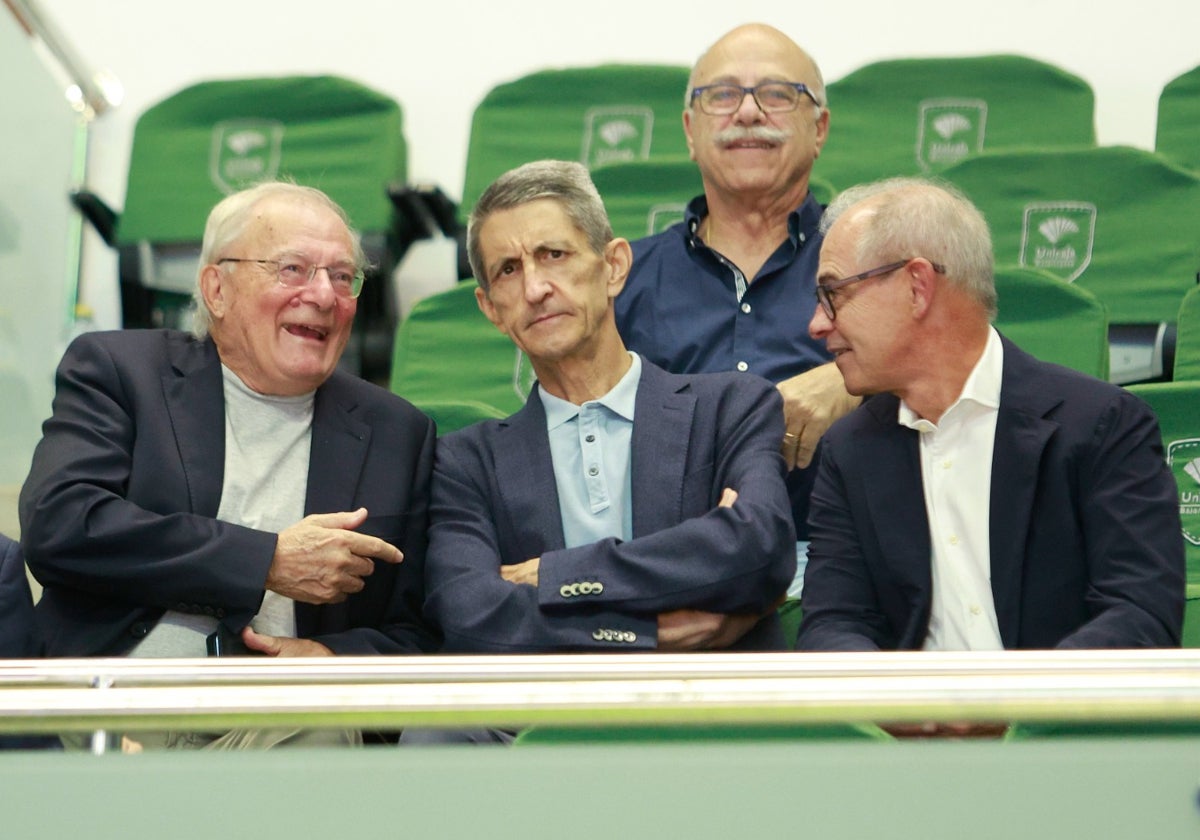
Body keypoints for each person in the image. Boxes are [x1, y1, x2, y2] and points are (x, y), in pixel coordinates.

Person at [19, 181, 438, 748]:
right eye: (292, 268)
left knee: (319, 721)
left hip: (277, 723)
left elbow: (416, 635)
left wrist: (327, 655)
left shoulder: (398, 432)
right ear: (217, 288)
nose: (323, 294)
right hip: (110, 705)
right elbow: (62, 524)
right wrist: (263, 561)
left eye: (343, 277)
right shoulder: (123, 372)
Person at [423, 159, 796, 662]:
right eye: (508, 271)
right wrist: (642, 634)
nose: (535, 288)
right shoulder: (465, 462)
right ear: (491, 308)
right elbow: (471, 615)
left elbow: (760, 548)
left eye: (553, 254)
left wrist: (558, 575)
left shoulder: (730, 407)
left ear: (614, 266)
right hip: (539, 717)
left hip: (708, 702)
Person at [797, 177, 1185, 654]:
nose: (817, 324)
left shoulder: (1103, 426)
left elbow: (1140, 614)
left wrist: (1018, 706)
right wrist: (911, 710)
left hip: (1057, 722)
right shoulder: (851, 449)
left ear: (917, 287)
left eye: (833, 293)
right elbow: (832, 624)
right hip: (908, 724)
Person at [614, 23, 858, 595]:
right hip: (666, 567)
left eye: (776, 94)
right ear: (690, 131)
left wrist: (852, 383)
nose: (748, 112)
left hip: (846, 557)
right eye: (722, 95)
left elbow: (960, 370)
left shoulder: (876, 261)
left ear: (818, 127)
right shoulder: (620, 281)